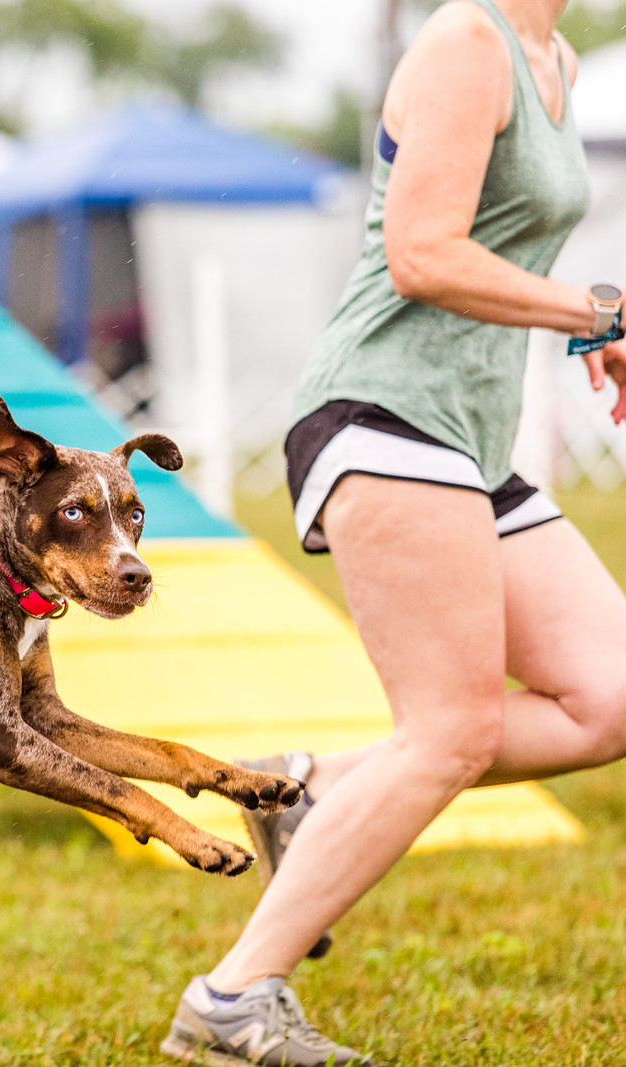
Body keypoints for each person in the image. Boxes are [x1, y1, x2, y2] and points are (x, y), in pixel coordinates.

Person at [159, 1, 626, 1064]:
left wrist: (589, 317)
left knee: (610, 694)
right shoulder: (469, 43)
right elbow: (420, 254)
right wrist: (593, 311)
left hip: (469, 438)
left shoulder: (554, 56)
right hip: (383, 418)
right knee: (450, 730)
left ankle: (310, 790)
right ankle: (233, 997)